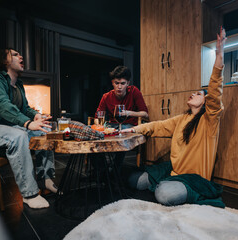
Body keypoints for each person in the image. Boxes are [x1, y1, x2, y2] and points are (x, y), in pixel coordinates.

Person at [122, 27, 227, 208]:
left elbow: (215, 91)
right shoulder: (182, 119)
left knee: (165, 195)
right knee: (134, 180)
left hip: (194, 179)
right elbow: (157, 126)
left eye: (198, 94)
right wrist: (134, 129)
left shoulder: (209, 121)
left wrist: (219, 54)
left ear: (205, 102)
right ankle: (163, 183)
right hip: (173, 171)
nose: (193, 94)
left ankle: (164, 186)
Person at [0, 48, 57, 209]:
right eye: (15, 54)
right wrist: (27, 123)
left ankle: (46, 179)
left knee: (44, 132)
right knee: (18, 135)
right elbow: (1, 106)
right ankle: (30, 194)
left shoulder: (18, 84)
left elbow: (26, 108)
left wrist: (35, 116)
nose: (20, 56)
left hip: (5, 127)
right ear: (4, 60)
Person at [94, 66, 149, 168]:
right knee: (93, 133)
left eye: (122, 83)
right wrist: (99, 128)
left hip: (129, 125)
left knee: (122, 132)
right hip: (112, 125)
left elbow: (145, 114)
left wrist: (128, 112)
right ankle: (102, 168)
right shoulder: (106, 96)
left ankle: (116, 167)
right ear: (112, 83)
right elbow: (98, 117)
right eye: (116, 83)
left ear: (127, 83)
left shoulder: (133, 91)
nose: (119, 87)